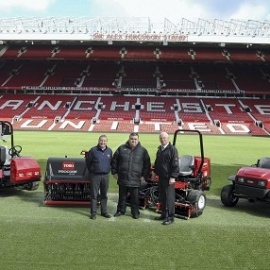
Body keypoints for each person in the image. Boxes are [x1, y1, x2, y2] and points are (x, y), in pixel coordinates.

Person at [111, 132, 151, 219]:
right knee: (122, 197)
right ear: (129, 139)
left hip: (135, 179)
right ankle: (120, 210)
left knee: (135, 198)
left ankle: (135, 212)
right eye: (132, 139)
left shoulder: (143, 151)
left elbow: (147, 165)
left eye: (135, 139)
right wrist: (114, 172)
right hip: (123, 178)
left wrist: (144, 176)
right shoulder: (121, 148)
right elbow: (114, 161)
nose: (133, 141)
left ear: (138, 140)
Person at [153, 132, 179, 225]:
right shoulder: (160, 149)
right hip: (161, 177)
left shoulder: (172, 149)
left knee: (169, 198)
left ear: (168, 138)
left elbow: (175, 164)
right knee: (162, 197)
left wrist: (173, 177)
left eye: (164, 138)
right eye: (161, 138)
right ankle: (164, 214)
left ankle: (170, 217)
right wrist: (154, 172)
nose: (162, 139)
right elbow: (157, 162)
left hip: (169, 178)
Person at [86, 134, 113, 220]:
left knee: (104, 195)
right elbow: (88, 162)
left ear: (106, 142)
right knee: (94, 195)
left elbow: (111, 162)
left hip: (105, 175)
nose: (103, 142)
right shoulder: (93, 150)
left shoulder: (109, 151)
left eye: (104, 141)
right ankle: (93, 213)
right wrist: (92, 171)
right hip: (95, 175)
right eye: (101, 140)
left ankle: (104, 211)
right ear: (98, 141)